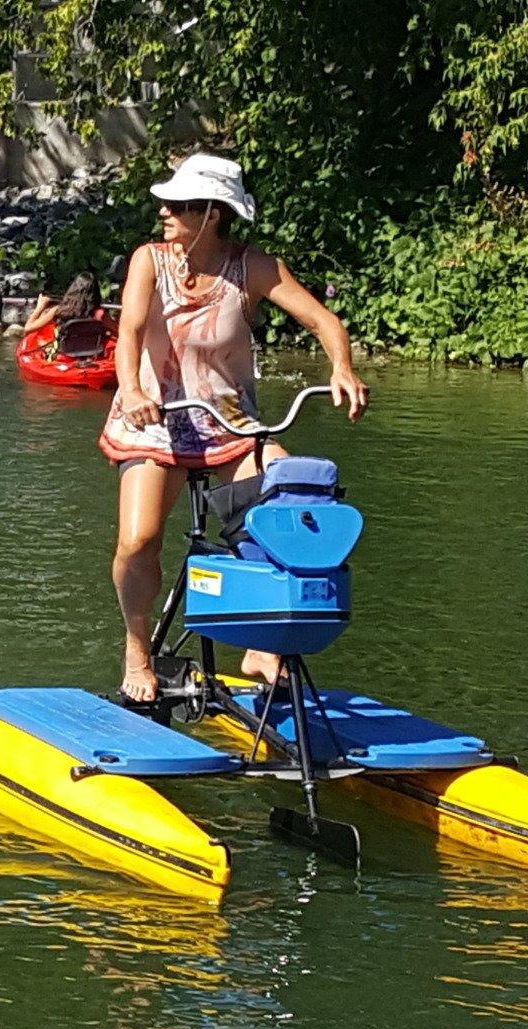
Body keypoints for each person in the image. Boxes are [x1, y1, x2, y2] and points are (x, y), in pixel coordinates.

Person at [100, 154, 367, 703]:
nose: (165, 211)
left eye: (179, 205)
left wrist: (341, 367)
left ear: (212, 215)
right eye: (167, 202)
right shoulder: (149, 260)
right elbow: (128, 331)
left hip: (230, 426)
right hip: (156, 421)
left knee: (294, 500)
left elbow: (324, 320)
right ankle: (137, 651)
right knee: (138, 539)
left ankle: (260, 644)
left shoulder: (253, 267)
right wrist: (131, 390)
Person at [20, 271, 113, 353]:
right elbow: (119, 333)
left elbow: (28, 328)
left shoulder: (59, 310)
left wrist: (40, 307)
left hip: (65, 354)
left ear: (73, 289)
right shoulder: (100, 314)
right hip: (93, 353)